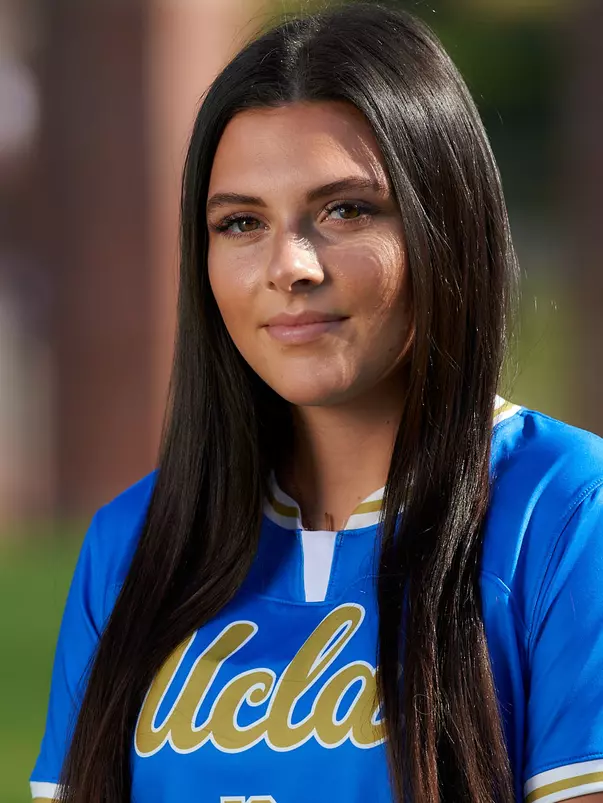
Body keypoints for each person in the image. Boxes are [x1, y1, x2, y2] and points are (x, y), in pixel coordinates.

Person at [30, 4, 603, 803]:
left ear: (447, 223)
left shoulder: (566, 508)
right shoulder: (132, 544)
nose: (288, 264)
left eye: (345, 210)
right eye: (240, 223)